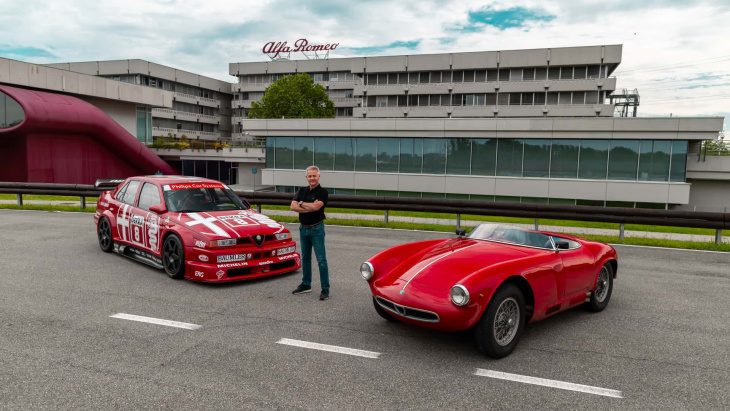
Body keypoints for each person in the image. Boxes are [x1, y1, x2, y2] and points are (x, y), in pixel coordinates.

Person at [290, 165, 330, 300]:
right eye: (310, 176)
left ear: (319, 176)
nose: (312, 178)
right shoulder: (302, 190)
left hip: (317, 228)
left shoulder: (323, 192)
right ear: (306, 177)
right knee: (305, 258)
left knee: (321, 260)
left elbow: (315, 207)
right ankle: (306, 284)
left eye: (314, 175)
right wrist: (307, 205)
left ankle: (325, 288)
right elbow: (292, 206)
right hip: (303, 228)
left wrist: (301, 204)